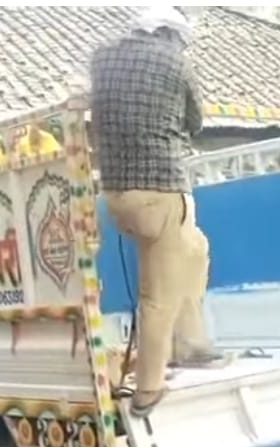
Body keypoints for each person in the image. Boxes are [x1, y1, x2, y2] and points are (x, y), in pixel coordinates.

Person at [90, 7, 227, 418]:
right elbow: (195, 121)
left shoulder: (103, 58)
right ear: (170, 34)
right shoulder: (176, 62)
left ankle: (192, 343)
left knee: (195, 247)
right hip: (162, 189)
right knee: (158, 296)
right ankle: (148, 389)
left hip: (117, 194)